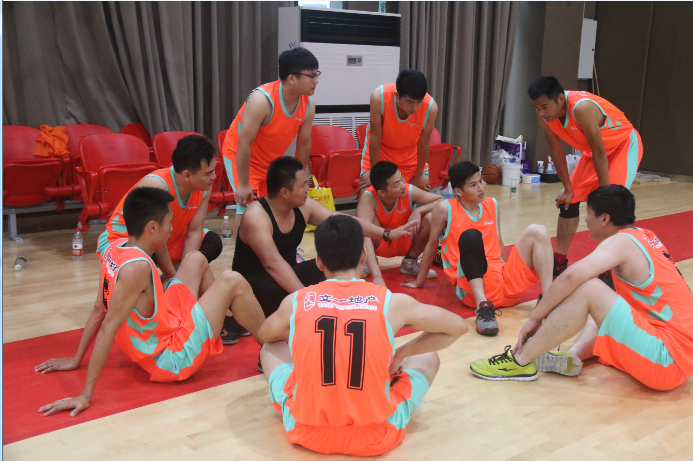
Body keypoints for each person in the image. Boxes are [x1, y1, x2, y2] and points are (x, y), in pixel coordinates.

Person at [36, 187, 266, 416]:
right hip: (171, 359)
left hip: (163, 332)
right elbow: (108, 327)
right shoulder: (138, 267)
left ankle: (218, 325)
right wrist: (85, 395)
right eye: (169, 222)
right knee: (232, 280)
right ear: (153, 227)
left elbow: (99, 308)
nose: (172, 228)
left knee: (195, 258)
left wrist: (76, 359)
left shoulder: (114, 248)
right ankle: (271, 348)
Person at [258, 215, 467, 456]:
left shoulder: (296, 301)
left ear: (319, 262)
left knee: (270, 348)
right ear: (363, 257)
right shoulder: (393, 302)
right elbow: (458, 327)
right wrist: (401, 353)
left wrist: (303, 336)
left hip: (307, 432)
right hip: (376, 436)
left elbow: (265, 334)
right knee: (428, 356)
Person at [471, 185, 693, 391]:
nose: (585, 219)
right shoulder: (644, 236)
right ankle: (574, 356)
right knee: (603, 298)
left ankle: (519, 361)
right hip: (679, 357)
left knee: (590, 288)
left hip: (667, 360)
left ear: (604, 218)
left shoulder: (621, 243)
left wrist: (535, 317)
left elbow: (571, 276)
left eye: (588, 213)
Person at [232, 156, 418, 318]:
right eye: (303, 185)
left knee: (330, 261)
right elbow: (273, 264)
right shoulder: (256, 216)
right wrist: (306, 298)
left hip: (286, 277)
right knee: (291, 284)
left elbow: (346, 221)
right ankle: (308, 307)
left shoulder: (304, 207)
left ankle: (337, 305)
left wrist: (387, 234)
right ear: (284, 193)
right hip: (254, 289)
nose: (308, 188)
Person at [403, 162, 554, 336]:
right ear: (458, 191)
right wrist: (420, 282)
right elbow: (431, 245)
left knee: (538, 230)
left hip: (504, 284)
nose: (481, 188)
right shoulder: (445, 208)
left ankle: (548, 300)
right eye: (473, 185)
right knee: (471, 236)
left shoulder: (492, 204)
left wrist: (505, 272)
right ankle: (483, 309)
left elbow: (498, 240)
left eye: (481, 181)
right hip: (473, 290)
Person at [529, 75, 644, 278]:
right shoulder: (543, 114)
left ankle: (610, 266)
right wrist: (567, 189)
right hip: (595, 151)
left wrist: (605, 195)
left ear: (560, 99)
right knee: (569, 201)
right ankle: (559, 261)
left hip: (622, 146)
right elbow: (556, 150)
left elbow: (599, 151)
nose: (541, 112)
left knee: (611, 207)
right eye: (537, 107)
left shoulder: (582, 107)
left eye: (545, 107)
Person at [221, 47, 318, 231]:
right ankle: (242, 250)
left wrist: (299, 177)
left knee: (274, 206)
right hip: (241, 155)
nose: (316, 81)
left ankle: (271, 246)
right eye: (311, 76)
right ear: (292, 78)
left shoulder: (308, 105)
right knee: (247, 207)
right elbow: (244, 142)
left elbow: (304, 143)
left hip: (269, 161)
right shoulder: (261, 100)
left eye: (317, 74)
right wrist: (243, 184)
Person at [357, 160, 443, 285]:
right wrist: (377, 276)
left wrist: (418, 211)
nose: (403, 185)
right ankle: (367, 262)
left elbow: (441, 201)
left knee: (430, 218)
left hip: (405, 238)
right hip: (381, 240)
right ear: (382, 192)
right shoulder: (368, 197)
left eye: (402, 178)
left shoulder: (408, 190)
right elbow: (365, 234)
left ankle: (409, 263)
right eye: (397, 184)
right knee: (364, 226)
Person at [358, 69, 439, 194]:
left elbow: (424, 144)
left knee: (420, 193)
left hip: (410, 158)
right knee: (368, 192)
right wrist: (374, 172)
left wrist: (419, 175)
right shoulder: (379, 97)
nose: (414, 107)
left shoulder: (431, 107)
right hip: (381, 154)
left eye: (419, 102)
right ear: (397, 96)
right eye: (409, 102)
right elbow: (375, 137)